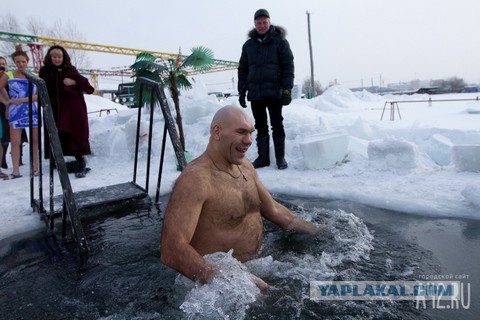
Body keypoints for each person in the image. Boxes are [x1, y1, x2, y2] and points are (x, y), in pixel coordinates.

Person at [160, 106, 328, 289]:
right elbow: (172, 249)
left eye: (250, 133)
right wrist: (229, 281)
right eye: (241, 132)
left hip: (257, 268)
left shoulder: (245, 167)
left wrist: (319, 230)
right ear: (217, 132)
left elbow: (274, 210)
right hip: (214, 287)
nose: (249, 141)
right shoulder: (196, 179)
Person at [238, 8, 295, 170]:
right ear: (254, 24)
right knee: (260, 125)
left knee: (277, 123)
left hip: (274, 91)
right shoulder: (248, 45)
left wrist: (287, 89)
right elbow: (242, 69)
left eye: (264, 22)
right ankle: (263, 158)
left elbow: (288, 66)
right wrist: (242, 91)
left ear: (269, 23)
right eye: (258, 23)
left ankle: (280, 158)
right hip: (256, 93)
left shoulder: (280, 42)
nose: (262, 25)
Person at [39, 45, 94, 178]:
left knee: (73, 133)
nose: (57, 59)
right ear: (50, 57)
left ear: (63, 57)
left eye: (59, 56)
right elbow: (41, 88)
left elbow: (88, 88)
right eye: (54, 57)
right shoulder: (45, 71)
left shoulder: (70, 70)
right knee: (54, 132)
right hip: (52, 107)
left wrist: (74, 82)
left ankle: (80, 160)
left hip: (70, 109)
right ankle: (56, 160)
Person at [0, 46, 39, 179]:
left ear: (27, 62)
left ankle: (36, 168)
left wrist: (22, 99)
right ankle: (16, 170)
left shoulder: (34, 76)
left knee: (35, 141)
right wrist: (6, 102)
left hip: (32, 110)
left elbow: (39, 95)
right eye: (18, 62)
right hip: (15, 111)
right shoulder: (9, 75)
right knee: (15, 141)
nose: (21, 64)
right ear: (14, 62)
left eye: (23, 61)